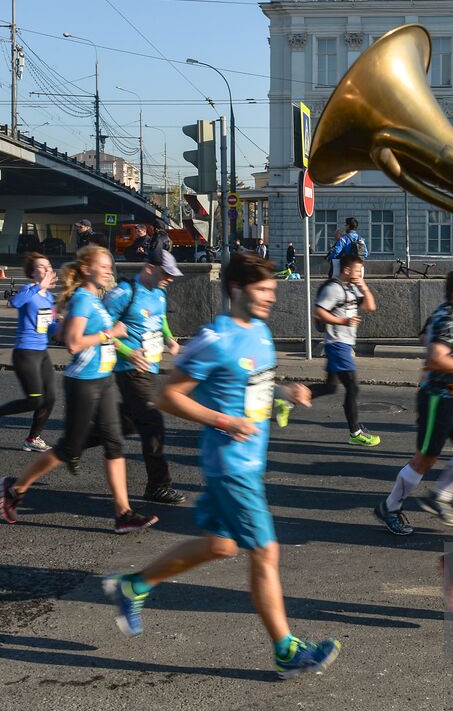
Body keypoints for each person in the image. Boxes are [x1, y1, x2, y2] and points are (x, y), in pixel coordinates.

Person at [100, 252, 341, 679]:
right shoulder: (215, 338)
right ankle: (286, 650)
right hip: (231, 465)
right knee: (266, 552)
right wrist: (223, 420)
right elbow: (166, 395)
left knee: (221, 545)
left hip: (247, 461)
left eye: (272, 289)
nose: (270, 297)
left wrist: (285, 392)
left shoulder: (261, 333)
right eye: (262, 289)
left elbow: (251, 388)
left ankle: (133, 585)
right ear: (236, 289)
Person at [0, 244, 158, 534]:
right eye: (104, 265)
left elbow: (65, 332)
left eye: (110, 264)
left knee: (114, 443)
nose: (110, 269)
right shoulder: (85, 298)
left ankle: (123, 513)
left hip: (104, 377)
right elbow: (73, 343)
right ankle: (15, 488)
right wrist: (110, 332)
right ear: (87, 269)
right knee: (70, 448)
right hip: (83, 381)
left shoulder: (95, 299)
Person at [374, 268, 453, 535]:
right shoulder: (448, 318)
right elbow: (437, 357)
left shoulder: (451, 315)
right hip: (437, 399)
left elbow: (425, 336)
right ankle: (390, 507)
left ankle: (439, 496)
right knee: (425, 459)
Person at [102, 249, 185, 505]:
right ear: (150, 268)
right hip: (130, 370)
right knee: (152, 422)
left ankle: (72, 445)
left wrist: (170, 338)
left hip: (149, 368)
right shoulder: (124, 293)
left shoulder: (159, 292)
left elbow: (160, 320)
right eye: (166, 273)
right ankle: (158, 486)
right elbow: (102, 330)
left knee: (126, 423)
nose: (170, 278)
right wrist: (128, 352)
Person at [0, 253, 59, 452]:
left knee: (50, 399)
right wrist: (40, 286)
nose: (47, 269)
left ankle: (32, 438)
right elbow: (15, 302)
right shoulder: (29, 289)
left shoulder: (48, 296)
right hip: (25, 352)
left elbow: (50, 327)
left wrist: (67, 328)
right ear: (32, 272)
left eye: (48, 265)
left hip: (42, 353)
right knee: (35, 400)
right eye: (41, 266)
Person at [305, 253, 380, 446]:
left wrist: (363, 285)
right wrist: (343, 321)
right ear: (347, 270)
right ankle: (355, 432)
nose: (360, 273)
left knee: (330, 387)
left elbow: (371, 307)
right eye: (357, 270)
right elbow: (319, 311)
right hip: (337, 344)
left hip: (344, 344)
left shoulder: (352, 288)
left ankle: (290, 398)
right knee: (352, 387)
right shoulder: (333, 288)